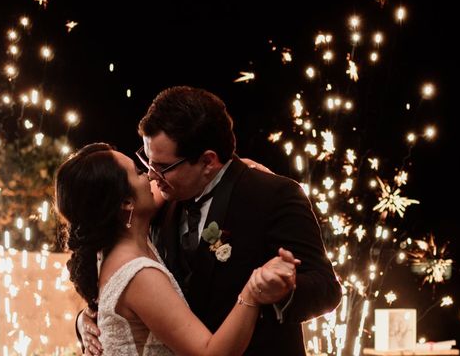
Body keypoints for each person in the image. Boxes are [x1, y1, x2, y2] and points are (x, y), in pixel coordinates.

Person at [80, 86, 342, 355]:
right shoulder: (154, 203)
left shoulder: (272, 195)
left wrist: (283, 292)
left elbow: (327, 289)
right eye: (147, 161)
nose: (151, 175)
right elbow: (126, 283)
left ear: (208, 161)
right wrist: (91, 318)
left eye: (163, 167)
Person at [56, 143, 299, 356]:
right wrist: (252, 292)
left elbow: (185, 179)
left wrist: (231, 172)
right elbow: (209, 353)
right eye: (139, 172)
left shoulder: (109, 245)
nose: (151, 175)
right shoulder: (139, 275)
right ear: (126, 203)